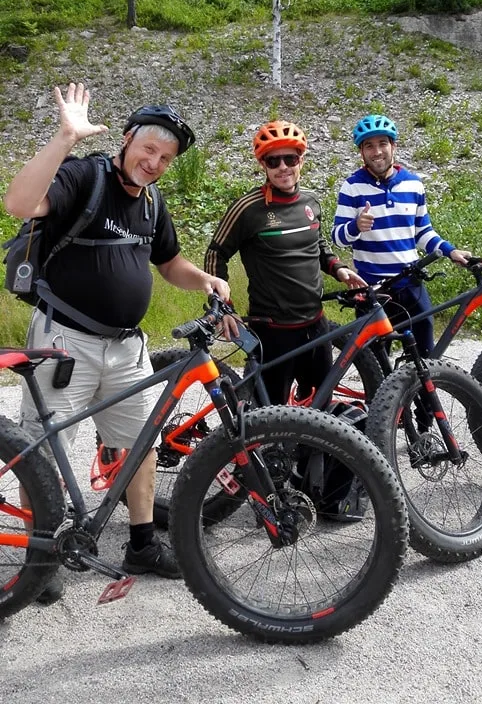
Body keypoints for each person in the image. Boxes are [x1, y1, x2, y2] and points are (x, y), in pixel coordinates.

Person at [3, 82, 230, 604]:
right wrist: (65, 137)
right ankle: (41, 559)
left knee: (139, 444)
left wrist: (205, 281)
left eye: (166, 158)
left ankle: (141, 544)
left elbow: (169, 263)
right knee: (46, 453)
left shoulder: (151, 202)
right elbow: (19, 202)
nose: (155, 163)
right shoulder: (85, 177)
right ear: (126, 140)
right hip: (64, 341)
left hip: (127, 347)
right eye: (149, 149)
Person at [204, 119, 365, 406]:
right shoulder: (248, 208)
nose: (283, 167)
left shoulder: (311, 202)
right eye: (273, 161)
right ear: (263, 165)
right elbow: (216, 254)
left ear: (301, 160)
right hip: (272, 332)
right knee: (270, 414)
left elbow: (318, 245)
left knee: (319, 406)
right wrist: (225, 308)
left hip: (316, 325)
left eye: (290, 159)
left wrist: (339, 269)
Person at [331, 113, 471, 356]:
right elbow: (337, 237)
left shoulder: (413, 184)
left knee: (426, 357)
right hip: (373, 289)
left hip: (411, 284)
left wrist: (450, 251)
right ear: (361, 152)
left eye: (382, 144)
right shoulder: (352, 187)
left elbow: (422, 233)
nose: (377, 152)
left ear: (393, 146)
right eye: (369, 146)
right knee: (375, 364)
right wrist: (355, 226)